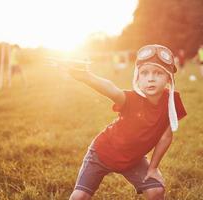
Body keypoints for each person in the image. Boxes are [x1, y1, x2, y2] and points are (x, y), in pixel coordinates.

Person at [65, 44, 187, 200]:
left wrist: (153, 168)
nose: (150, 78)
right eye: (144, 73)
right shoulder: (130, 99)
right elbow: (112, 90)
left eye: (158, 73)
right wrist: (86, 77)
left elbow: (166, 137)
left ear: (168, 78)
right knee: (79, 196)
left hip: (133, 159)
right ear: (137, 77)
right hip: (102, 153)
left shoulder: (172, 101)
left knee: (157, 191)